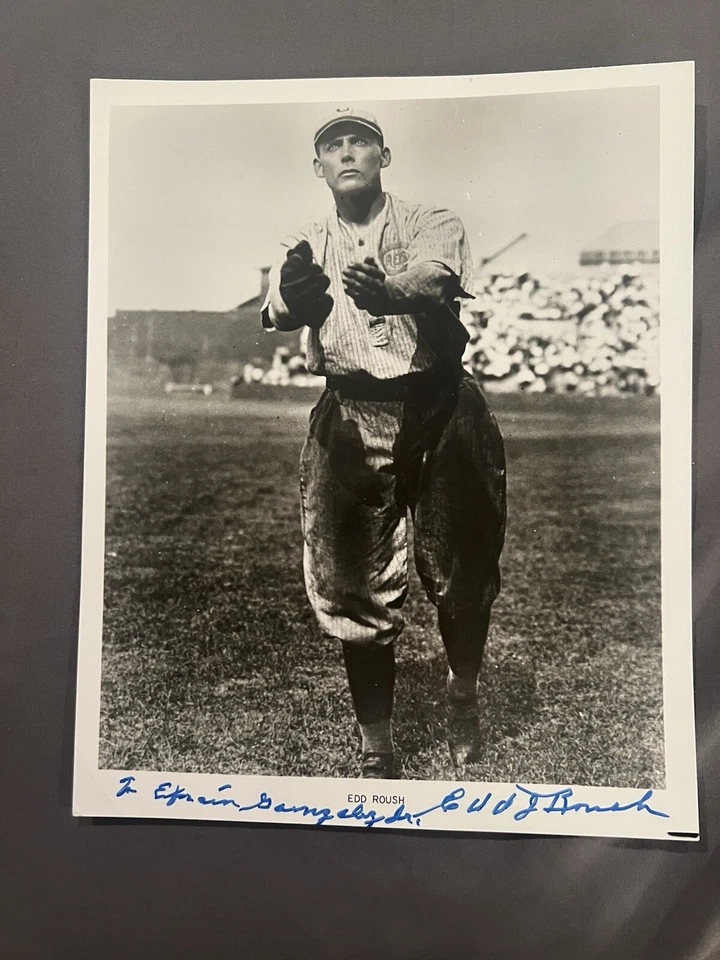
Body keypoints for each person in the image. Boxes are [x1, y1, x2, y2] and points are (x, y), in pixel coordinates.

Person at [261, 107, 507, 779]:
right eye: (333, 146)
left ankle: (461, 692)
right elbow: (280, 301)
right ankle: (376, 746)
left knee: (462, 572)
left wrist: (389, 291)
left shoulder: (431, 220)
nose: (347, 154)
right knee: (352, 585)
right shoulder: (307, 237)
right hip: (351, 408)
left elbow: (436, 276)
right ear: (318, 167)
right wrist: (296, 298)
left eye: (360, 144)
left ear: (383, 158)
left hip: (439, 407)